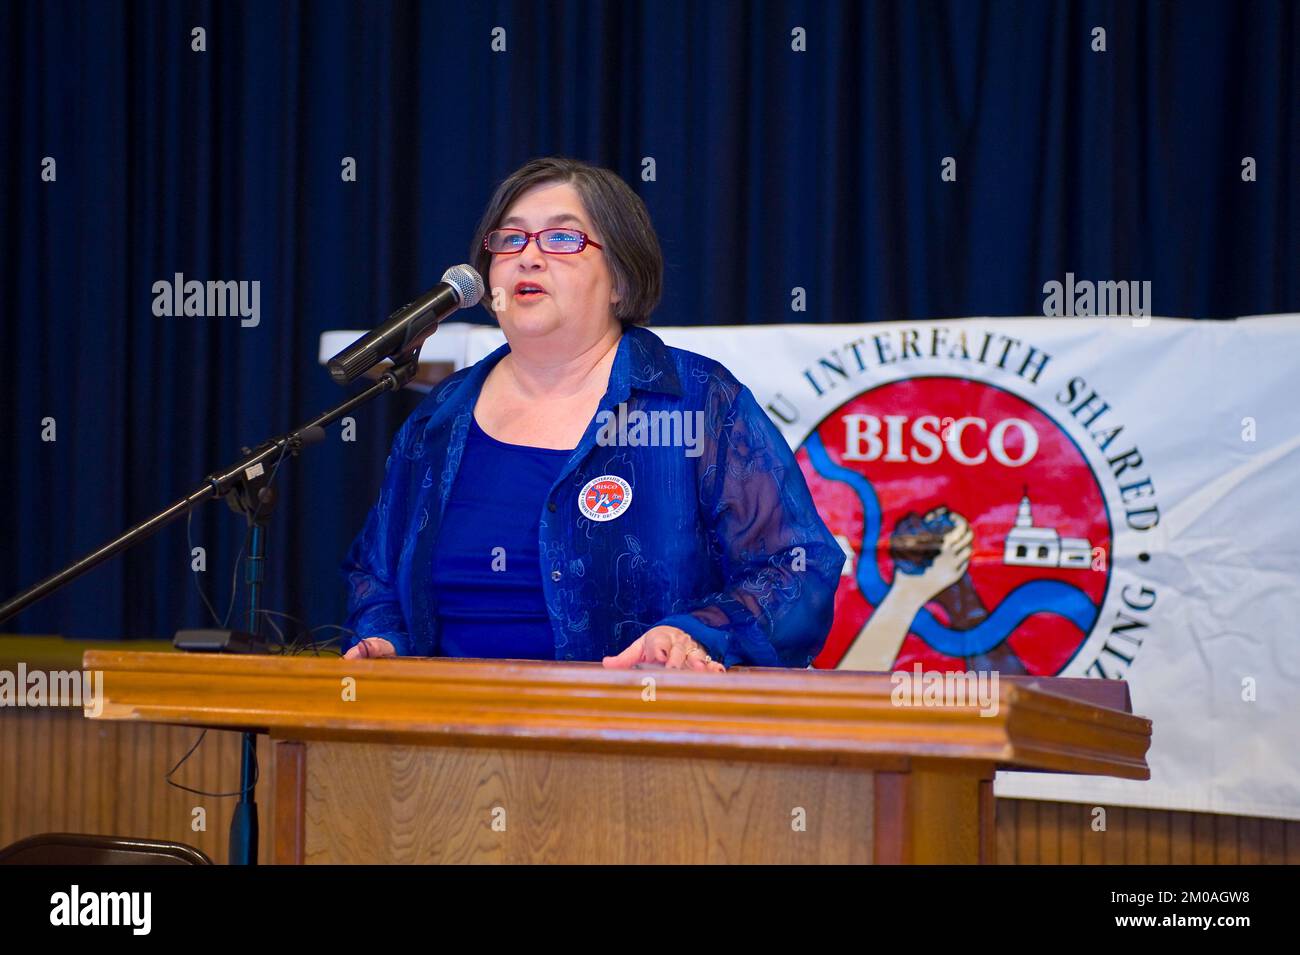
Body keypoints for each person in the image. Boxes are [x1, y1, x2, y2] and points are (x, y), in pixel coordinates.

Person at [340, 157, 843, 670]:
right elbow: (373, 573)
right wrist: (387, 641)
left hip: (634, 731)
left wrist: (695, 635)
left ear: (620, 281)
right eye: (510, 240)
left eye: (562, 240)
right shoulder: (439, 419)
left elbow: (797, 569)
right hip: (446, 736)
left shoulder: (697, 401)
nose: (528, 258)